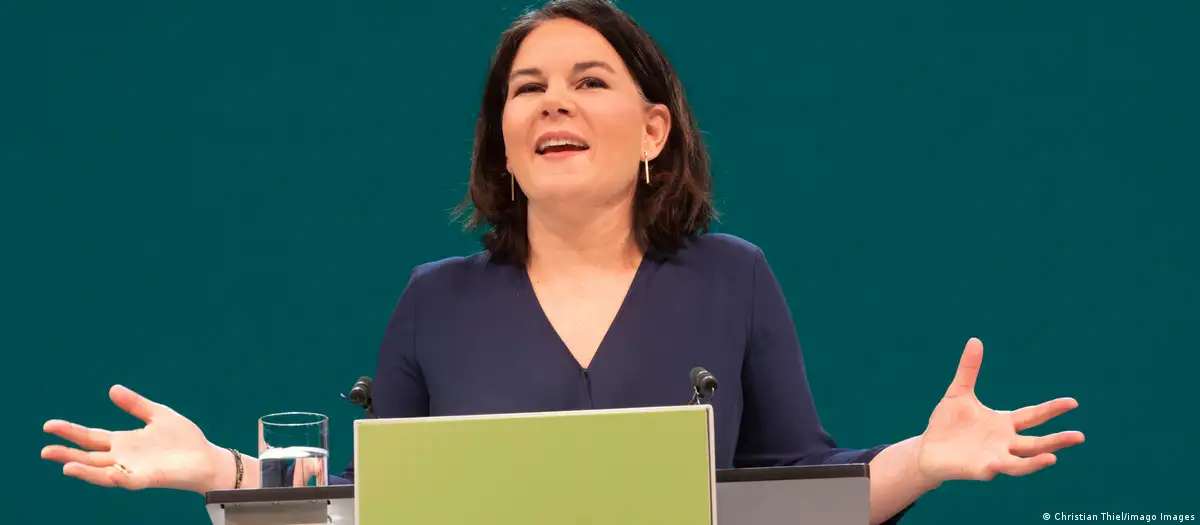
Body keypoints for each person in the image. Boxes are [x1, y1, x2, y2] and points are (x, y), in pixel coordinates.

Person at [40, 1, 1085, 523]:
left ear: (654, 129)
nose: (554, 103)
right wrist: (223, 471)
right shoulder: (433, 302)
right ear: (503, 140)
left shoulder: (734, 278)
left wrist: (924, 456)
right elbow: (371, 504)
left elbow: (799, 493)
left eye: (590, 81)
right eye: (528, 89)